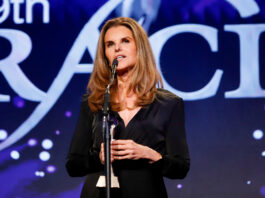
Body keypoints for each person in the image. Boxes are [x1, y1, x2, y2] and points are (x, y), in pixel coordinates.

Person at [65, 17, 190, 198]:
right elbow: (73, 165)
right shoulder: (94, 102)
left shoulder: (169, 104)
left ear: (139, 48)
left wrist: (149, 154)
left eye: (125, 41)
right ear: (105, 54)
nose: (117, 48)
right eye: (110, 44)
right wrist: (98, 158)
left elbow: (180, 168)